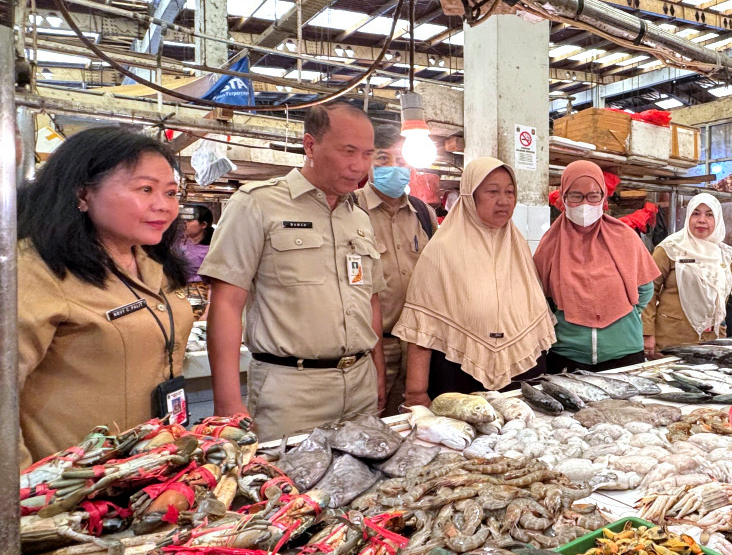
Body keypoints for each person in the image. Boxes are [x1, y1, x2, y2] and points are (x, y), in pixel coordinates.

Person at [200, 102, 386, 442]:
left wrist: (378, 375)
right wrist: (227, 401)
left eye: (367, 154)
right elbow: (226, 303)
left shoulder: (358, 217)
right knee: (287, 487)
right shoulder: (257, 204)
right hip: (291, 391)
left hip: (360, 385)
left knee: (363, 491)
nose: (359, 166)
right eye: (348, 152)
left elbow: (369, 300)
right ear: (311, 145)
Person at [17, 127, 193, 466]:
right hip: (73, 489)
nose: (164, 206)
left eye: (171, 193)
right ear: (83, 194)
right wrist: (18, 489)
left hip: (153, 468)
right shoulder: (35, 270)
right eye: (145, 189)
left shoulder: (153, 260)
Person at [394, 157, 556, 404]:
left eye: (509, 192)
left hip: (522, 373)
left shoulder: (518, 245)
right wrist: (417, 394)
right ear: (470, 196)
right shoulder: (442, 249)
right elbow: (422, 327)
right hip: (458, 374)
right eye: (492, 191)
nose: (503, 200)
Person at [533, 160, 660, 373]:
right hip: (567, 357)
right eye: (575, 196)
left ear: (604, 198)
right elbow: (542, 301)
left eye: (593, 196)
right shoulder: (550, 244)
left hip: (624, 354)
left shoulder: (625, 238)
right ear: (563, 198)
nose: (585, 204)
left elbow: (644, 291)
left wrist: (619, 316)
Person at [361, 121, 438, 415]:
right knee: (373, 423)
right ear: (367, 161)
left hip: (420, 347)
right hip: (371, 347)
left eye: (402, 161)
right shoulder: (349, 211)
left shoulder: (423, 213)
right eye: (383, 159)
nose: (394, 167)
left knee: (415, 425)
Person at [642, 193, 732, 354]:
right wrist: (647, 333)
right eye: (696, 213)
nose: (702, 220)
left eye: (709, 214)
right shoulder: (670, 248)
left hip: (712, 340)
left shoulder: (725, 254)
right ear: (688, 217)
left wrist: (722, 329)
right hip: (672, 339)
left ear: (718, 220)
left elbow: (723, 297)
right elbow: (648, 291)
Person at [179, 204, 213, 281]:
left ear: (203, 225)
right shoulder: (178, 239)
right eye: (183, 220)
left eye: (189, 221)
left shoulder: (212, 250)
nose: (184, 223)